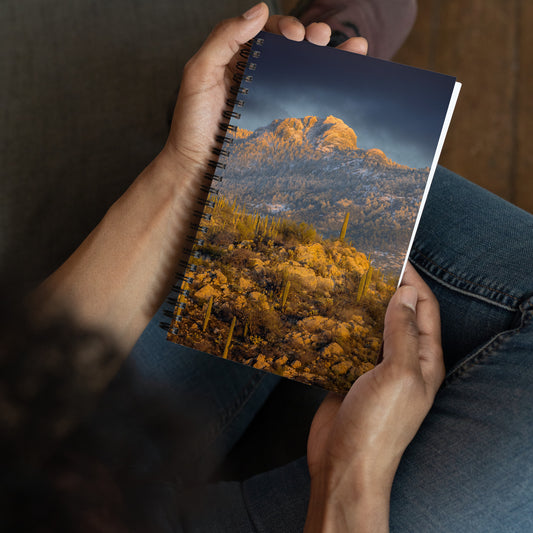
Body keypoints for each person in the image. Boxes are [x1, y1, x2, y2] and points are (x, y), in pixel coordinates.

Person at [2, 2, 532, 531]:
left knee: (241, 234)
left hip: (47, 473)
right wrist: (349, 479)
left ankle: (256, 111)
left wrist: (184, 172)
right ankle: (307, 75)